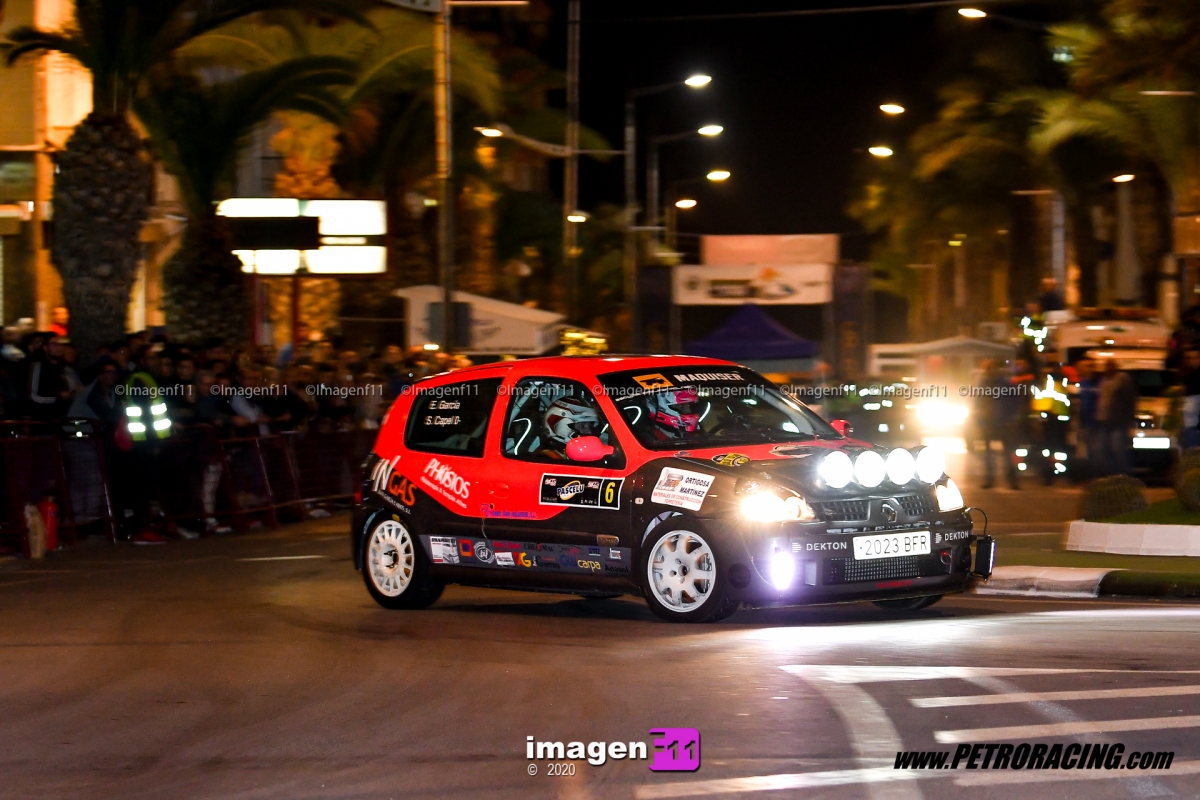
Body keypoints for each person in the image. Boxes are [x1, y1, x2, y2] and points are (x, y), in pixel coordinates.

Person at [976, 359, 1019, 490]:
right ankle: (990, 479)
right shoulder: (985, 384)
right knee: (990, 453)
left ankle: (1012, 480)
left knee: (1007, 454)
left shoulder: (1005, 384)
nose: (989, 372)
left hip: (1002, 422)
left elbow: (1014, 402)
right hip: (989, 421)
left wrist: (1010, 419)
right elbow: (979, 403)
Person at [1097, 359, 1138, 476]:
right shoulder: (1104, 380)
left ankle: (1123, 474)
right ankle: (1112, 473)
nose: (1107, 368)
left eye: (1109, 365)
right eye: (1106, 366)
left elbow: (1130, 399)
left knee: (1118, 448)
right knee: (1105, 448)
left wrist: (1129, 417)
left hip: (1119, 420)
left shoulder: (1122, 379)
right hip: (1105, 420)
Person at [26, 335, 72, 420]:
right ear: (45, 348)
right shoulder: (38, 366)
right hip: (42, 419)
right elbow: (33, 395)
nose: (58, 348)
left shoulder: (63, 368)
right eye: (54, 344)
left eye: (61, 344)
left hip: (61, 418)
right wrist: (58, 398)